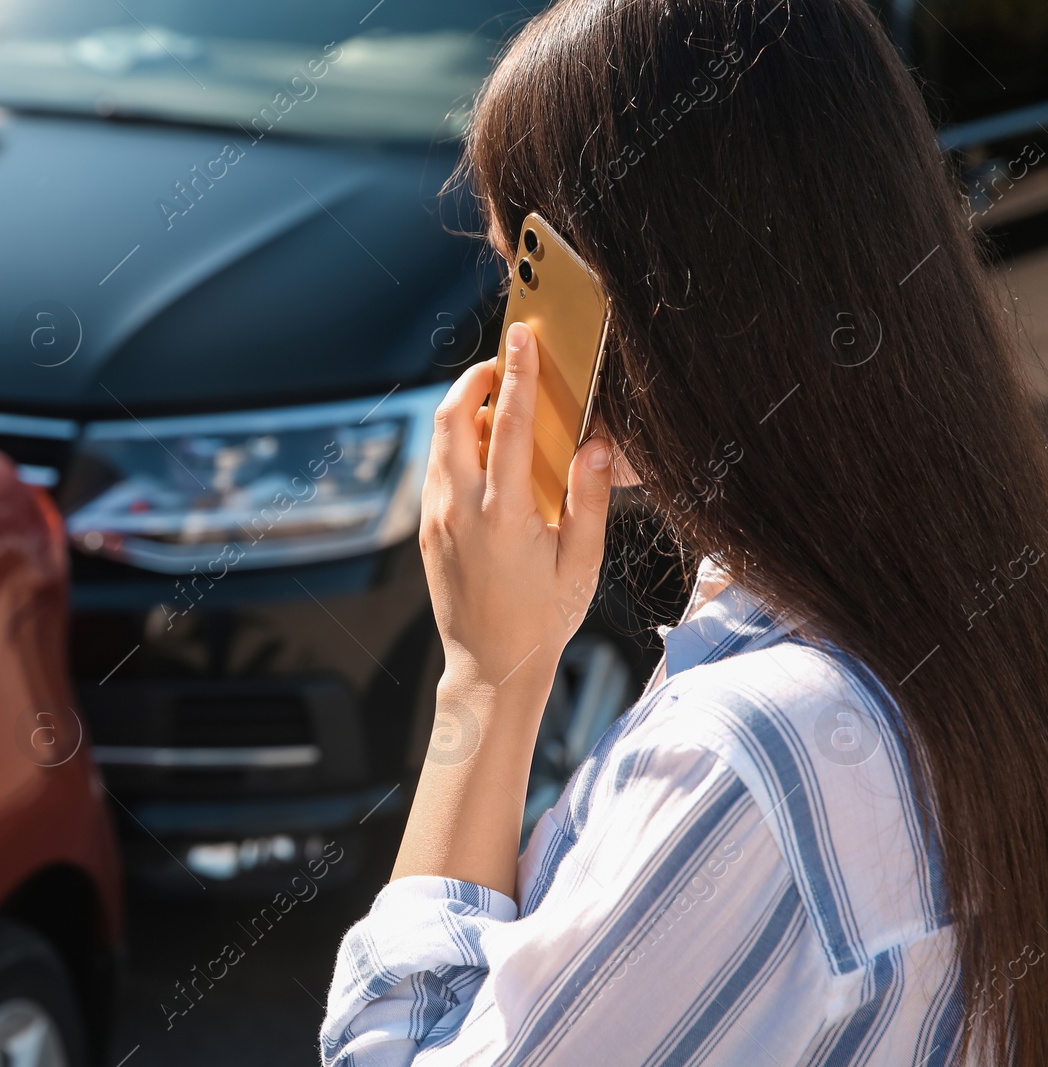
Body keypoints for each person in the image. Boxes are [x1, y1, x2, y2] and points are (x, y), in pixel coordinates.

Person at [319, 0, 1048, 1063]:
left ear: (619, 306)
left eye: (522, 277)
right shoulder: (968, 591)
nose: (515, 334)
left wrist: (485, 681)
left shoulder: (751, 758)